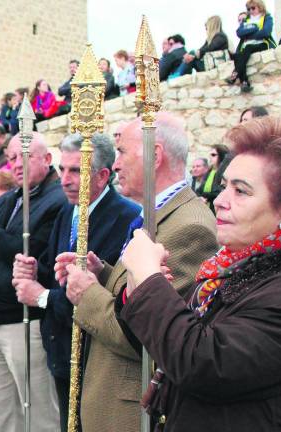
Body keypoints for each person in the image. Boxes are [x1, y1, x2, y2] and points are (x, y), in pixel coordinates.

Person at [117, 117, 281, 431]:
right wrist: (137, 285)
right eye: (224, 186)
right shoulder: (229, 269)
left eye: (242, 191)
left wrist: (151, 282)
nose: (220, 201)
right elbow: (163, 346)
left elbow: (201, 364)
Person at [57, 113, 219, 431]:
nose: (115, 164)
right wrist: (102, 273)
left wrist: (86, 293)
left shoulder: (190, 228)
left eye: (122, 152)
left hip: (132, 411)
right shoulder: (160, 216)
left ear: (154, 155)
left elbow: (149, 336)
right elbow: (136, 296)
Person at [11, 133, 140, 432]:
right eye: (62, 169)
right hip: (60, 345)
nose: (65, 180)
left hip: (96, 353)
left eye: (76, 171)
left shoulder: (128, 217)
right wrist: (34, 270)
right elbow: (57, 273)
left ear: (103, 175)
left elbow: (106, 294)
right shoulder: (68, 211)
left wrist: (41, 297)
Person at [0, 131, 65, 431]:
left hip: (27, 322)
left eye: (24, 157)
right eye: (11, 159)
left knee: (38, 415)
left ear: (47, 159)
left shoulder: (58, 200)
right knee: (2, 414)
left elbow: (35, 254)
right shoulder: (10, 198)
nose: (16, 164)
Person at [228, 0, 276, 93]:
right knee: (240, 55)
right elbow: (239, 32)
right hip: (248, 45)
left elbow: (265, 32)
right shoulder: (247, 20)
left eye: (253, 8)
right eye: (248, 9)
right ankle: (245, 82)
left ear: (260, 7)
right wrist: (255, 29)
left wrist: (248, 35)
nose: (251, 11)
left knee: (247, 49)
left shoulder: (267, 17)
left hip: (262, 44)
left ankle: (236, 74)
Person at [197, 144, 229, 210]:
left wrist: (205, 196)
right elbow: (199, 190)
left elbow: (220, 192)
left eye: (213, 155)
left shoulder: (226, 173)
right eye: (210, 155)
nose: (210, 157)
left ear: (221, 156)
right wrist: (200, 197)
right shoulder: (210, 172)